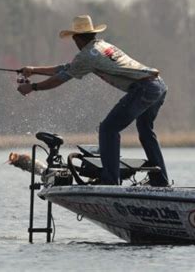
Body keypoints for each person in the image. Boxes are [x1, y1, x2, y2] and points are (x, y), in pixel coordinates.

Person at [17, 15, 169, 186]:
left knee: (108, 129)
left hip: (144, 88)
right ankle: (161, 180)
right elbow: (66, 68)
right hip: (158, 85)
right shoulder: (101, 46)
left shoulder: (87, 56)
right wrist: (33, 70)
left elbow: (60, 79)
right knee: (145, 131)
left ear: (76, 38)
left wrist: (33, 88)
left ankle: (110, 181)